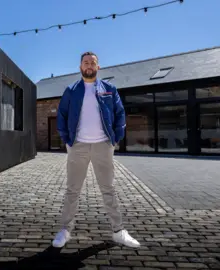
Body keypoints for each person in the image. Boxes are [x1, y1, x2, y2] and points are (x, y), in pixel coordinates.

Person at [52, 51, 140, 249]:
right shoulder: (71, 90)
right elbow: (62, 116)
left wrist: (114, 139)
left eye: (92, 62)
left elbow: (119, 114)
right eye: (85, 62)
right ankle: (65, 230)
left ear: (98, 67)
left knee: (108, 189)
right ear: (80, 67)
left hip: (103, 146)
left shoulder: (109, 89)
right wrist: (68, 140)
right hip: (78, 146)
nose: (89, 65)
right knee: (72, 190)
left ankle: (118, 231)